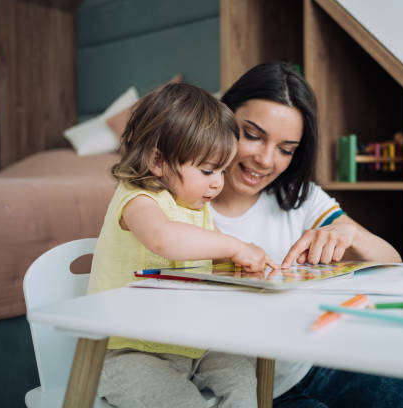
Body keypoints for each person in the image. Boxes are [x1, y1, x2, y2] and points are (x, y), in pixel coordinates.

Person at [211, 62, 403, 407]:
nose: (265, 160)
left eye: (286, 149)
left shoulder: (300, 198)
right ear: (222, 117)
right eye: (252, 135)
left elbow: (391, 260)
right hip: (243, 389)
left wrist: (348, 234)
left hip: (313, 365)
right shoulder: (183, 205)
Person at [88, 82, 277, 408]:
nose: (218, 182)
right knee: (182, 402)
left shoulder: (198, 209)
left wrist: (242, 270)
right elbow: (163, 239)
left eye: (222, 169)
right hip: (129, 352)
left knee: (244, 377)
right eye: (207, 170)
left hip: (191, 344)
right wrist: (233, 245)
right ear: (158, 161)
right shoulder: (138, 199)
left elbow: (212, 261)